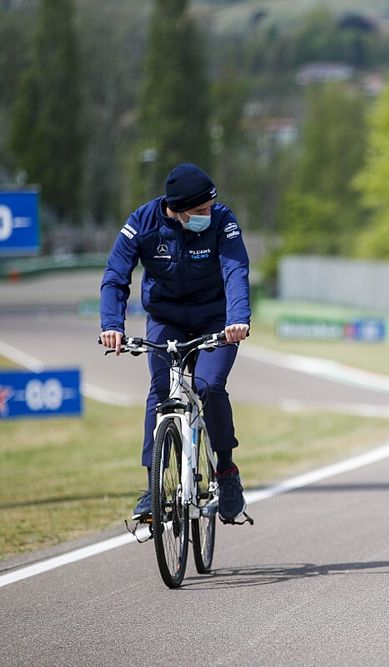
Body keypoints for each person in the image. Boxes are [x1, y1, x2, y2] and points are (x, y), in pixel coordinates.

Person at [99, 162, 251, 523]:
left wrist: (238, 319)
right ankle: (154, 487)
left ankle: (226, 472)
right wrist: (112, 325)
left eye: (210, 208)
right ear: (177, 209)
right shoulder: (143, 222)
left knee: (209, 385)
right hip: (166, 318)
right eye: (200, 211)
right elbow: (115, 276)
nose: (208, 214)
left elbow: (235, 270)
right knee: (161, 390)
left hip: (215, 319)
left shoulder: (221, 220)